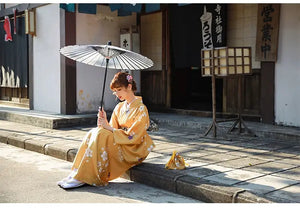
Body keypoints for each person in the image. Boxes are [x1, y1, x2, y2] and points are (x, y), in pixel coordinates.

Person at [57, 72, 155, 189]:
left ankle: (84, 176)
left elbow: (134, 136)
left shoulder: (141, 109)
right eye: (115, 90)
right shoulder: (119, 107)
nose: (116, 93)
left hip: (134, 147)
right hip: (123, 141)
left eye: (119, 89)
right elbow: (111, 130)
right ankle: (78, 172)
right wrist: (103, 120)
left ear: (129, 87)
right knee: (94, 132)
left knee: (100, 133)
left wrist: (107, 128)